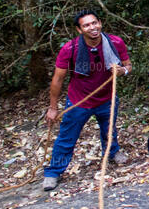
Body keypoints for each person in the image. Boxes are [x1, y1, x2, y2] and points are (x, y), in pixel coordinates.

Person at [41, 10, 131, 192]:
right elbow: (58, 79)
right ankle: (53, 172)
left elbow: (128, 65)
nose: (92, 28)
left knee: (109, 130)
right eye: (86, 25)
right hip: (78, 102)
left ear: (100, 23)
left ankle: (113, 153)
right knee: (66, 137)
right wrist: (52, 107)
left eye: (94, 23)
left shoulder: (115, 42)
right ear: (79, 29)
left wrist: (123, 71)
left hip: (107, 99)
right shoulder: (70, 48)